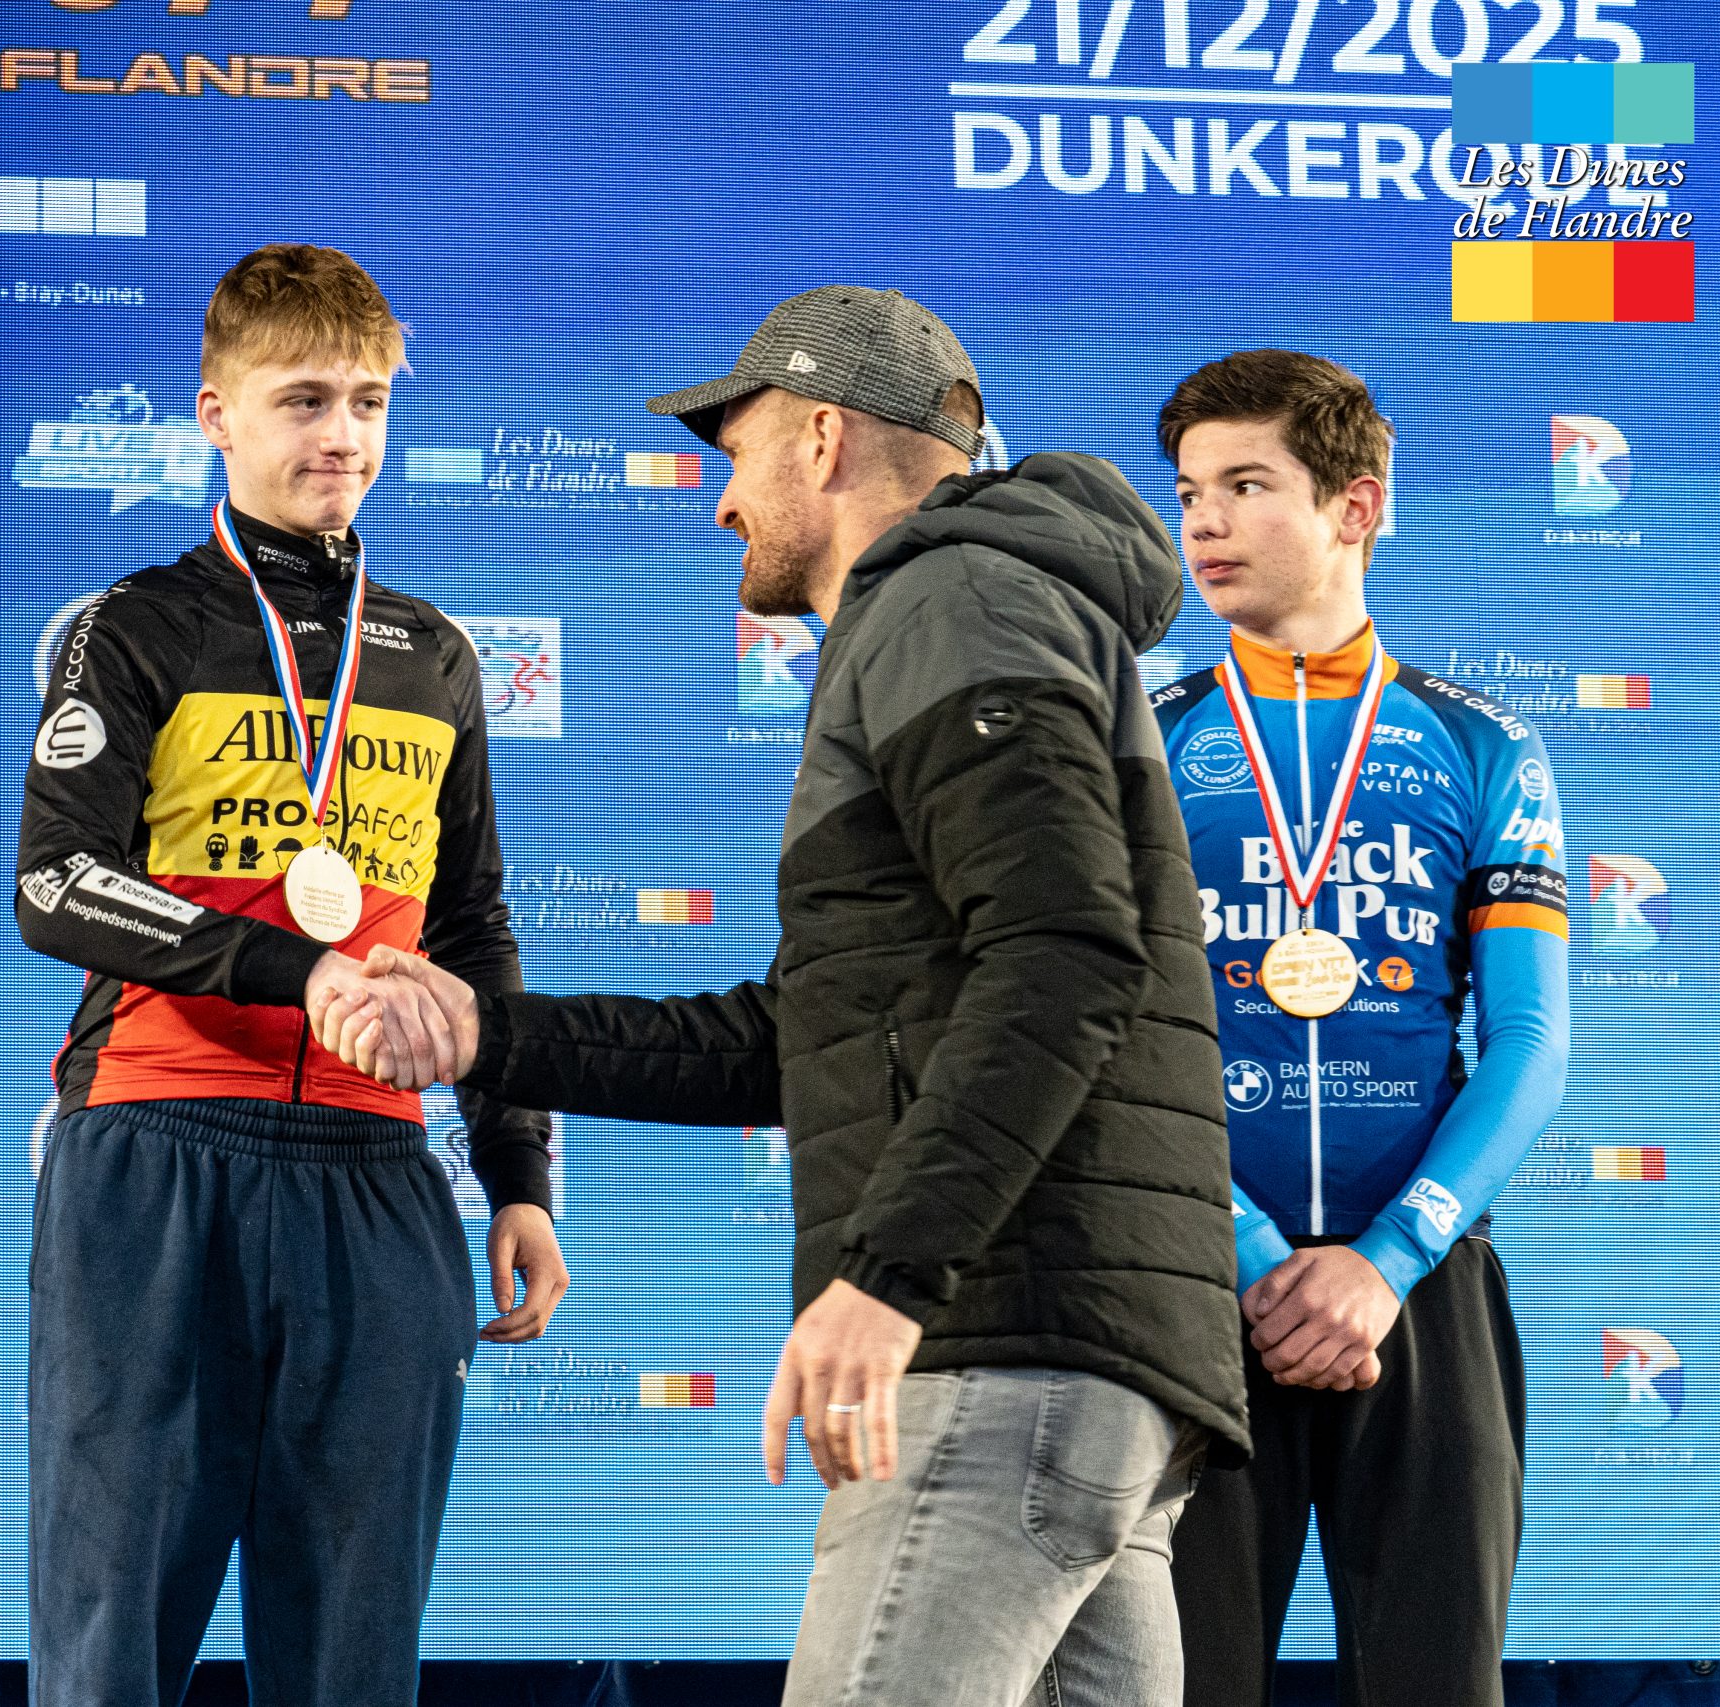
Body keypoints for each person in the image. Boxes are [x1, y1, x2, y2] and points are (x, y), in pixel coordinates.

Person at [324, 286, 1248, 1706]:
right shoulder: (974, 603)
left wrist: (888, 1280)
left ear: (823, 438)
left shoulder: (948, 597)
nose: (721, 503)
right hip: (1081, 1369)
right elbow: (799, 1039)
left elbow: (1065, 952)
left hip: (997, 1348)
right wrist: (486, 1031)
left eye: (738, 452)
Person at [14, 241, 569, 1707]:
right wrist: (295, 970)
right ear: (216, 413)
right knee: (112, 1640)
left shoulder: (435, 654)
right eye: (304, 399)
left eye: (369, 403)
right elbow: (55, 883)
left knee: (353, 1661)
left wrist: (517, 1175)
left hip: (377, 1168)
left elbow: (473, 932)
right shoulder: (138, 627)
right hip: (158, 1143)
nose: (343, 436)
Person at [1147, 349, 1571, 1707]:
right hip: (1197, 1282)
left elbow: (1529, 1043)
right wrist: (1255, 1255)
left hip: (1421, 1284)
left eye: (1246, 484)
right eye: (1189, 492)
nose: (1203, 521)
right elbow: (1116, 1042)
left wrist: (1385, 1262)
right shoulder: (1136, 743)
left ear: (1356, 506)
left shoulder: (1483, 743)